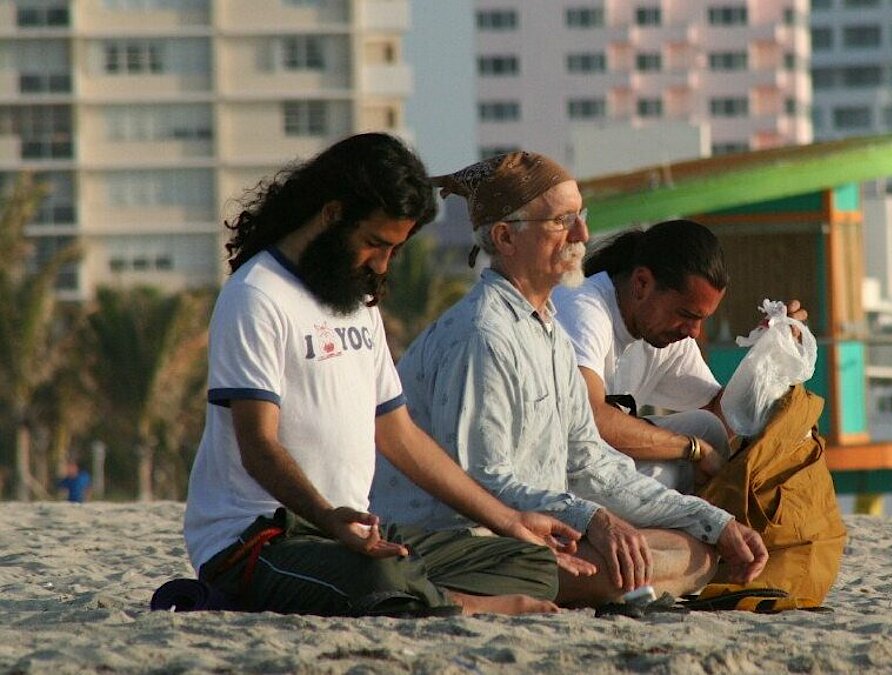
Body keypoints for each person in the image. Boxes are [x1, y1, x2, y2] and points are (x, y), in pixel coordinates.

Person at [183, 133, 590, 619]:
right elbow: (258, 446)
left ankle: (419, 589)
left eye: (393, 250)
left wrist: (509, 519)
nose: (381, 263)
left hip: (355, 531)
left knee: (530, 560)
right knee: (375, 577)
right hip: (263, 538)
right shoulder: (257, 296)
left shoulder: (356, 298)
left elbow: (397, 434)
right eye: (374, 243)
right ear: (332, 215)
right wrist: (330, 520)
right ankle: (460, 603)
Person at [369, 151, 768, 607]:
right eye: (562, 221)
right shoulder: (482, 335)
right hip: (455, 539)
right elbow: (480, 481)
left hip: (531, 531)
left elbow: (589, 461)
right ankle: (475, 593)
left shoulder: (550, 333)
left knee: (694, 550)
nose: (582, 235)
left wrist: (712, 520)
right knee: (656, 564)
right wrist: (594, 519)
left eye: (581, 217)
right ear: (506, 237)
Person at [551, 220, 808, 492]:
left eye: (701, 319)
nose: (694, 332)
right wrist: (691, 449)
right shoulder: (583, 308)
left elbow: (723, 418)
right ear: (641, 284)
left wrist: (767, 356)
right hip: (550, 473)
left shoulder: (666, 335)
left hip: (596, 466)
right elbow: (587, 419)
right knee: (670, 477)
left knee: (706, 427)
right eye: (686, 315)